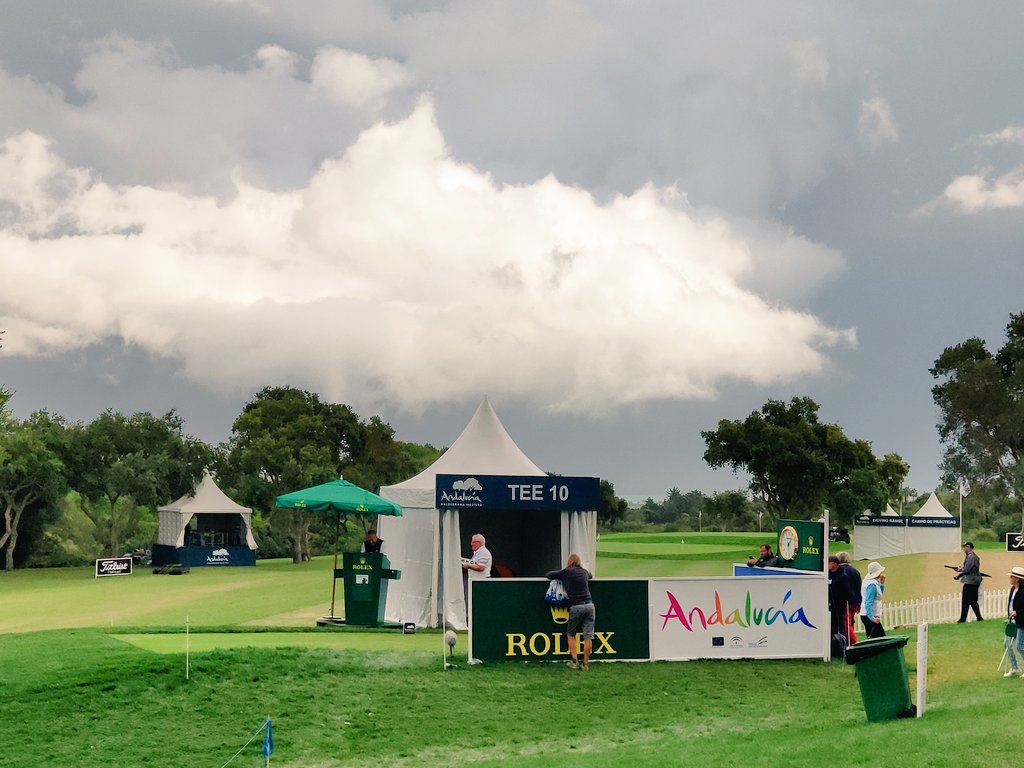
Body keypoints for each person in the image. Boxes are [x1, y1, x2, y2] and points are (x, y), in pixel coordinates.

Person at [546, 553, 595, 670]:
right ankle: (586, 664)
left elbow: (549, 575)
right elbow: (591, 576)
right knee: (588, 636)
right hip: (590, 605)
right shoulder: (584, 572)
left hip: (576, 606)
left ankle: (575, 661)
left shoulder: (566, 572)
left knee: (570, 634)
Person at [1003, 566, 1024, 677]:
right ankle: (1015, 667)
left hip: (1021, 622)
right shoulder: (1013, 589)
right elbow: (1011, 605)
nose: (1010, 578)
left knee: (1020, 646)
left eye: (1012, 576)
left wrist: (1018, 613)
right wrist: (1010, 616)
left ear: (1017, 578)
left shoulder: (1023, 591)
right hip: (1012, 621)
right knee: (1007, 644)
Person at [955, 541, 983, 623]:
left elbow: (967, 570)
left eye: (964, 547)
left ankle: (963, 619)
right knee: (973, 601)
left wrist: (960, 571)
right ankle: (979, 618)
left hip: (970, 582)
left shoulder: (971, 557)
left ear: (968, 547)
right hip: (974, 582)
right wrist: (960, 573)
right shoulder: (973, 556)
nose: (963, 549)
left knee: (965, 601)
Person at [837, 551, 861, 643]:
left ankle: (853, 642)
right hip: (854, 601)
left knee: (846, 622)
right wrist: (859, 602)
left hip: (844, 601)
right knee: (850, 621)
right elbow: (858, 587)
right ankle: (848, 641)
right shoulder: (855, 571)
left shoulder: (839, 571)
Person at [859, 561, 886, 639]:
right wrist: (872, 618)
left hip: (866, 614)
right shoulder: (872, 585)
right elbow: (868, 602)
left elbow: (877, 596)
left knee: (874, 638)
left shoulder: (868, 581)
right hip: (869, 615)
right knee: (880, 639)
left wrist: (882, 584)